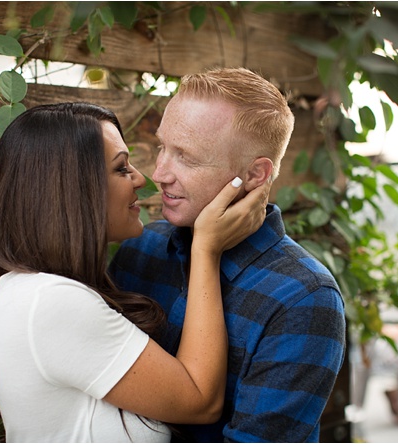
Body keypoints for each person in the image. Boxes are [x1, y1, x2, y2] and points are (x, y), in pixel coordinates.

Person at [0, 102, 269, 442]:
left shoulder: (33, 292)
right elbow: (200, 401)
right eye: (121, 169)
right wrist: (205, 250)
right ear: (71, 187)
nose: (143, 179)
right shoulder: (51, 302)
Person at [109, 68, 347, 442]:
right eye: (162, 147)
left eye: (186, 157)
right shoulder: (140, 249)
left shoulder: (304, 298)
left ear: (255, 175)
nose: (159, 173)